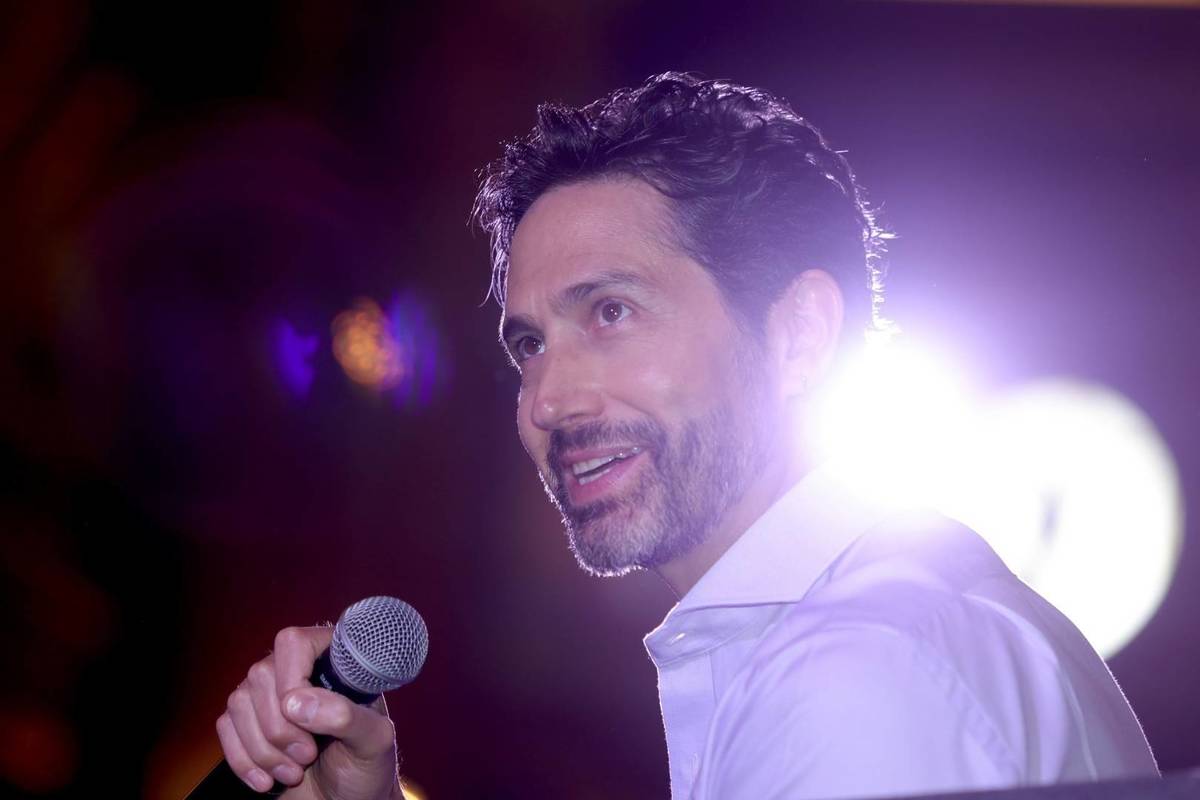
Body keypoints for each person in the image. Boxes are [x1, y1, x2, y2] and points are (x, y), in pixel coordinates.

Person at [216, 72, 1159, 799]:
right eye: (530, 345)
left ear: (797, 334)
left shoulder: (859, 670)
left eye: (611, 312)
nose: (547, 401)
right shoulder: (882, 628)